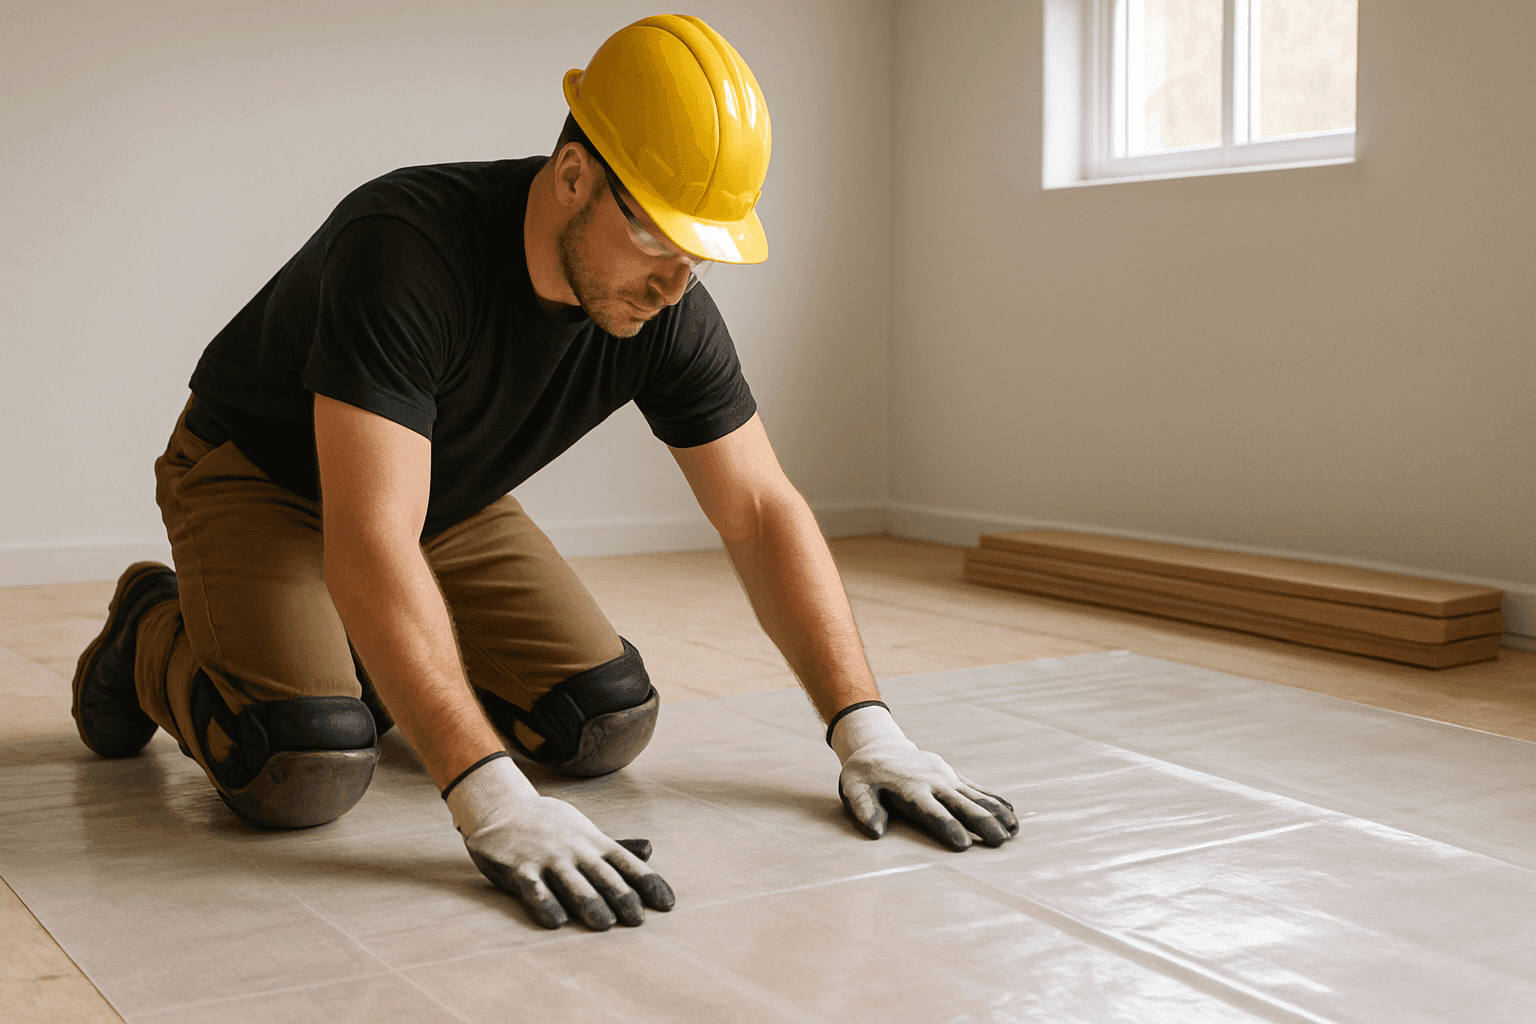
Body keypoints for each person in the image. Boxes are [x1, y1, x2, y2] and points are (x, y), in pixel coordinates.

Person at [71, 14, 1018, 933]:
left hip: (440, 497)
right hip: (260, 478)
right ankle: (148, 627)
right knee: (302, 766)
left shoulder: (664, 310)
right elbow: (367, 538)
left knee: (601, 723)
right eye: (657, 237)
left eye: (698, 253)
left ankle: (357, 658)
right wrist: (490, 798)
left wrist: (867, 727)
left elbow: (762, 511)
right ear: (574, 175)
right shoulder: (406, 247)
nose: (674, 284)